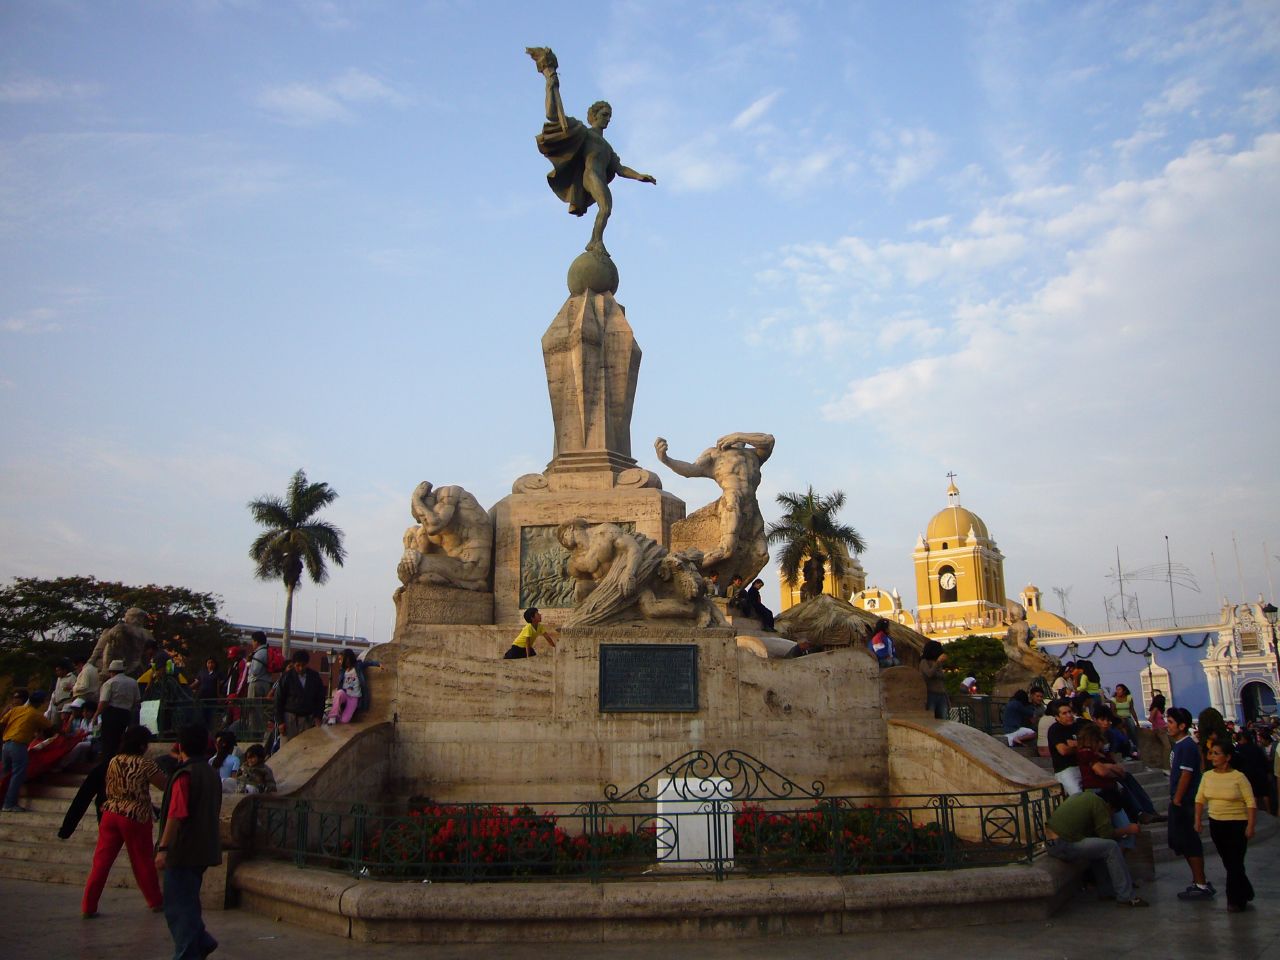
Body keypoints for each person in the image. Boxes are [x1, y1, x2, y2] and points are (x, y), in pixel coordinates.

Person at [528, 46, 657, 257]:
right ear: (594, 115)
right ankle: (595, 241)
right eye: (604, 114)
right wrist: (550, 85)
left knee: (606, 208)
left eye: (609, 116)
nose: (608, 118)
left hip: (598, 174)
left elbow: (620, 168)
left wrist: (639, 176)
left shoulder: (606, 147)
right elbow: (553, 116)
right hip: (590, 175)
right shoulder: (585, 133)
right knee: (605, 207)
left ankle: (595, 240)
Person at [80, 724, 166, 918]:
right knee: (142, 861)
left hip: (111, 812)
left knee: (101, 862)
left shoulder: (113, 761)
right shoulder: (145, 764)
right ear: (143, 745)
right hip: (135, 815)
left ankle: (88, 905)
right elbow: (164, 785)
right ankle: (155, 900)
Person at [155, 724, 222, 960]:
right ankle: (202, 940)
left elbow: (176, 814)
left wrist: (163, 848)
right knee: (188, 900)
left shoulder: (185, 775)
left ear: (181, 746)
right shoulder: (212, 773)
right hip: (205, 847)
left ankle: (186, 953)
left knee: (178, 907)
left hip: (183, 849)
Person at [1043, 787, 1147, 907]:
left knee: (1099, 848)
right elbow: (1107, 835)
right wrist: (1127, 830)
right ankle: (1126, 896)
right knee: (1111, 847)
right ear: (1109, 806)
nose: (1110, 816)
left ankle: (1106, 891)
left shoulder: (1084, 796)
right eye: (1112, 813)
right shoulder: (1099, 804)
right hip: (1063, 844)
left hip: (1053, 843)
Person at [1195, 739, 1256, 913]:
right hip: (1217, 824)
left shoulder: (1239, 777)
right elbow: (1199, 800)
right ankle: (1246, 890)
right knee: (1230, 862)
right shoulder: (1207, 776)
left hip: (1237, 824)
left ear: (1227, 757)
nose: (1212, 757)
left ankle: (1234, 900)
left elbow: (1250, 802)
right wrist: (1197, 820)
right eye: (1211, 753)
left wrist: (1250, 825)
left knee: (1235, 861)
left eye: (1217, 753)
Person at [1166, 706, 1213, 901]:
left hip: (1184, 801)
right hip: (1181, 800)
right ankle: (1197, 881)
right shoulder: (1180, 745)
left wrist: (1177, 798)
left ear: (1182, 725)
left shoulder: (1186, 746)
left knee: (1189, 841)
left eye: (1170, 722)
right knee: (1183, 841)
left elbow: (1186, 774)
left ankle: (1201, 883)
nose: (1167, 726)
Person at [1075, 722, 1160, 824]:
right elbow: (1102, 771)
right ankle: (1140, 813)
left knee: (1126, 778)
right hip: (1097, 787)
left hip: (1109, 783)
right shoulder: (1086, 753)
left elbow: (1119, 768)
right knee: (1120, 783)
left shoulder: (1103, 754)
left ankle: (1148, 810)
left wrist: (1109, 767)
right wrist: (1111, 769)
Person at [1, 689, 54, 812]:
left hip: (6, 745)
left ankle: (3, 801)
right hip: (18, 745)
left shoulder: (16, 710)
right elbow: (51, 728)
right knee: (17, 775)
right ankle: (9, 804)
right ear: (40, 703)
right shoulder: (36, 714)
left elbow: (2, 722)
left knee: (5, 775)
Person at [93, 659, 141, 760]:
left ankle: (108, 763)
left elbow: (104, 702)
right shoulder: (133, 682)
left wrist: (96, 714)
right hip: (126, 713)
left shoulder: (109, 683)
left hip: (111, 713)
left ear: (111, 671)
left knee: (109, 741)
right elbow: (137, 701)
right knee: (122, 739)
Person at [276, 650, 325, 740]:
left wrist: (318, 716)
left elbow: (320, 698)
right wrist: (280, 722)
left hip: (308, 719)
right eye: (298, 665)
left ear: (307, 664)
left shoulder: (314, 676)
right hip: (290, 719)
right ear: (294, 664)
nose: (300, 668)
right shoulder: (287, 677)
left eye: (303, 665)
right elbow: (279, 699)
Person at [1047, 699, 1082, 795]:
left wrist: (1075, 744)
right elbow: (1063, 750)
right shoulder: (1055, 729)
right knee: (1078, 796)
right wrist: (1081, 745)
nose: (1069, 715)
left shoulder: (1077, 726)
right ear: (1057, 717)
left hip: (1082, 766)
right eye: (1064, 713)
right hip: (1066, 770)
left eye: (1070, 712)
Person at [326, 649, 363, 723]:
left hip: (354, 698)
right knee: (339, 692)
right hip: (345, 694)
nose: (339, 662)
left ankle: (338, 717)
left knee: (344, 721)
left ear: (348, 658)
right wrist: (338, 703)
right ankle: (332, 716)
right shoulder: (343, 670)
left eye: (340, 659)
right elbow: (340, 685)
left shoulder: (358, 666)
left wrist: (378, 664)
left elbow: (368, 663)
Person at [919, 640, 949, 719]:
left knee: (943, 720)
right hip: (930, 695)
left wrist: (947, 699)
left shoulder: (938, 663)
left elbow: (942, 681)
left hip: (941, 695)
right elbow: (929, 673)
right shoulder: (924, 662)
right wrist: (938, 662)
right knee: (931, 719)